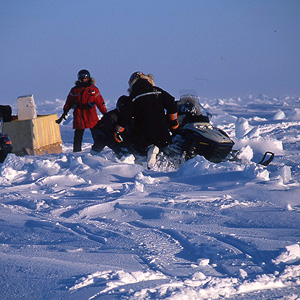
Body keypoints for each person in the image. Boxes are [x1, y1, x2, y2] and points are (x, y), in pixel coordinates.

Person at [114, 72, 179, 168]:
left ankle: (149, 155)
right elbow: (172, 104)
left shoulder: (133, 97)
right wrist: (173, 122)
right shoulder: (158, 91)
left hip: (143, 131)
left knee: (139, 147)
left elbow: (124, 116)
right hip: (162, 129)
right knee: (163, 146)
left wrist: (118, 132)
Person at [56, 69, 107, 152]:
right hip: (79, 116)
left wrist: (105, 113)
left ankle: (98, 150)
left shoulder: (94, 90)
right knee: (78, 135)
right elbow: (69, 102)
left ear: (89, 78)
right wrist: (65, 111)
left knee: (96, 134)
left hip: (91, 116)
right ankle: (76, 153)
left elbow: (100, 103)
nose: (84, 80)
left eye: (85, 78)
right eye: (82, 78)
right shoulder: (75, 90)